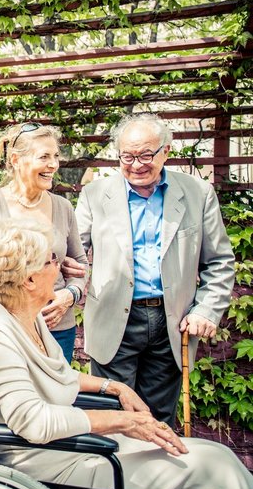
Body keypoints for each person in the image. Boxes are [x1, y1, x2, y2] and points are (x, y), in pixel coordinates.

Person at [0, 217, 252, 489]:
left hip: (73, 446)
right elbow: (33, 422)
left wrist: (115, 387)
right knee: (212, 470)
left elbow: (58, 376)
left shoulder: (25, 315)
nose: (59, 266)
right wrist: (122, 422)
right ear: (29, 280)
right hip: (51, 462)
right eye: (51, 260)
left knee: (217, 454)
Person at [72, 113, 235, 424]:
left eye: (146, 155)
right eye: (127, 156)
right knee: (112, 415)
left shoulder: (197, 193)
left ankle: (156, 473)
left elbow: (220, 262)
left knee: (159, 417)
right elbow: (75, 254)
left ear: (166, 152)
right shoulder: (95, 194)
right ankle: (115, 474)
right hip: (112, 318)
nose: (136, 165)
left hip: (171, 322)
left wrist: (206, 310)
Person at [0, 123, 88, 362]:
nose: (53, 164)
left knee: (56, 394)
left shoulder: (62, 207)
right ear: (16, 159)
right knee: (6, 396)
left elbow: (80, 265)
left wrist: (70, 295)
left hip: (56, 327)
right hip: (3, 329)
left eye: (55, 156)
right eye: (44, 157)